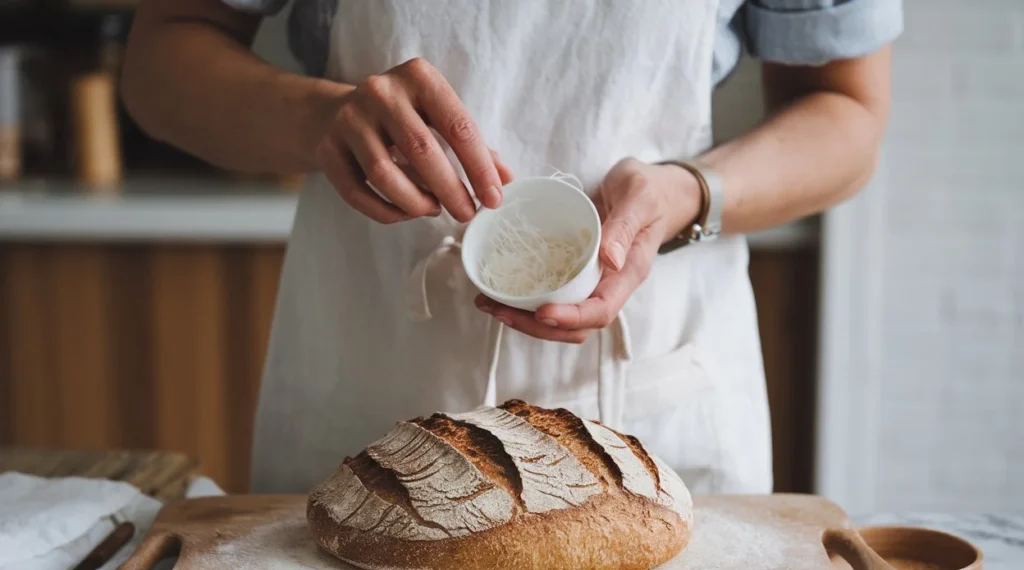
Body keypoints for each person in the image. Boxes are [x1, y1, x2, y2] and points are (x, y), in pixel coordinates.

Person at [122, 0, 901, 495]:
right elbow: (160, 58)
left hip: (655, 390)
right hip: (372, 384)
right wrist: (319, 121)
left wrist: (688, 193)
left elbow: (847, 111)